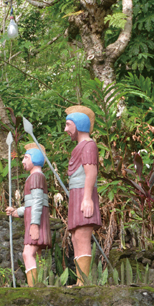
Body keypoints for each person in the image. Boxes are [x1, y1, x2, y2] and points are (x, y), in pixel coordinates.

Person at [64, 105, 102, 285]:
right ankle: (81, 280)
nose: (66, 130)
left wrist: (87, 198)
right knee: (76, 236)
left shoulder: (88, 145)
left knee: (83, 235)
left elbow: (91, 172)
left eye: (68, 125)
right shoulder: (79, 146)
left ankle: (84, 282)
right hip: (76, 194)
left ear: (78, 125)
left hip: (83, 193)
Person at [6, 144, 52, 286]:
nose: (23, 161)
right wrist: (17, 212)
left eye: (26, 158)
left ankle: (34, 288)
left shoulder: (36, 177)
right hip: (34, 219)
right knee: (36, 255)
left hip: (36, 221)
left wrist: (34, 224)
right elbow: (31, 204)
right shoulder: (35, 177)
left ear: (35, 159)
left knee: (27, 254)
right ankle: (38, 286)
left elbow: (37, 202)